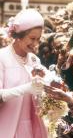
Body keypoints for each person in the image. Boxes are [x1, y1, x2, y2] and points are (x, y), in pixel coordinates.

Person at [0, 9, 47, 138]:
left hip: (30, 128)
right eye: (32, 38)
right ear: (18, 35)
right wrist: (26, 89)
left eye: (38, 39)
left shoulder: (34, 60)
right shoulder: (2, 57)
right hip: (5, 127)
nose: (36, 44)